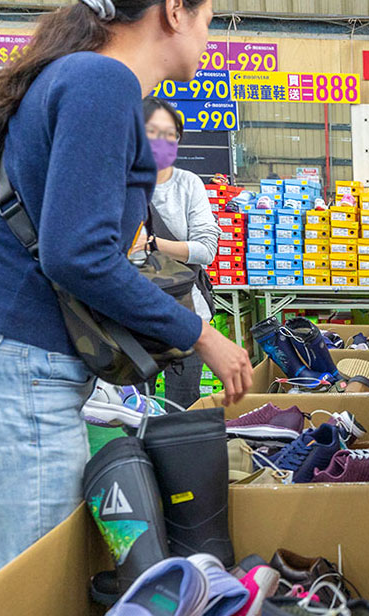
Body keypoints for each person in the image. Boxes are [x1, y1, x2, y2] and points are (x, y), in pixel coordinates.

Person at [0, 0, 251, 573]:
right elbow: (77, 255)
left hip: (13, 367)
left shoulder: (84, 77)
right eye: (209, 17)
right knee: (42, 600)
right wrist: (201, 334)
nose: (211, 34)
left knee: (53, 589)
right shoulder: (101, 81)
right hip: (14, 370)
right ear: (175, 11)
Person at [140, 96, 220, 410]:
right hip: (134, 314)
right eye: (152, 132)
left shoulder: (188, 185)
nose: (162, 142)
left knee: (182, 407)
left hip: (186, 312)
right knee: (135, 411)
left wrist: (153, 244)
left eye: (171, 134)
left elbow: (206, 250)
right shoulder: (119, 183)